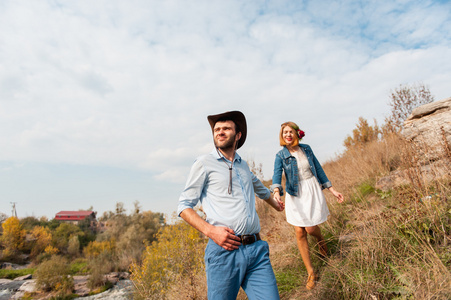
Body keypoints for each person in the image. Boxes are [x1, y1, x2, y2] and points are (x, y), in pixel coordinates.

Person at [177, 111, 285, 300]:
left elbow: (261, 189)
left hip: (256, 250)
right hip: (224, 252)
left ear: (238, 135)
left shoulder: (243, 165)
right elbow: (184, 206)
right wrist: (211, 231)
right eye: (217, 129)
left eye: (226, 128)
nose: (220, 132)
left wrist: (276, 205)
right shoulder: (204, 163)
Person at [271, 121, 344, 290]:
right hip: (294, 194)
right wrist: (276, 193)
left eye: (290, 132)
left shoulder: (307, 149)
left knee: (311, 229)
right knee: (299, 231)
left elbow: (318, 169)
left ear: (297, 133)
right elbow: (276, 176)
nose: (287, 135)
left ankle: (320, 241)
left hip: (311, 189)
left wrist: (332, 190)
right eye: (284, 133)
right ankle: (311, 272)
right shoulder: (280, 155)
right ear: (282, 137)